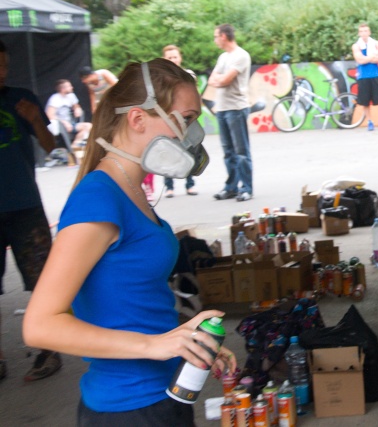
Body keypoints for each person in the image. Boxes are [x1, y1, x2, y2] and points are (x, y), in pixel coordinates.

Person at [22, 59, 235, 425]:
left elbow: (130, 298)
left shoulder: (129, 190)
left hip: (161, 395)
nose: (193, 134)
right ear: (137, 119)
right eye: (186, 119)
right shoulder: (98, 199)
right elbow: (40, 325)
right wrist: (153, 345)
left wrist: (184, 336)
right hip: (127, 408)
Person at [0, 40, 63, 382]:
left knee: (43, 281)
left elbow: (51, 146)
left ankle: (49, 350)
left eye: (5, 66)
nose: (2, 73)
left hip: (25, 205)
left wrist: (35, 119)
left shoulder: (20, 99)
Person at [208, 24, 253, 202]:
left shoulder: (241, 55)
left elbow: (225, 80)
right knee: (228, 152)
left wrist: (220, 80)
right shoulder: (223, 57)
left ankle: (247, 188)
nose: (215, 40)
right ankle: (231, 188)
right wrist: (219, 80)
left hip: (236, 108)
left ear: (224, 36)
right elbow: (212, 80)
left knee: (241, 151)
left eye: (216, 36)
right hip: (222, 108)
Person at [162, 45, 198, 197]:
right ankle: (169, 187)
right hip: (167, 119)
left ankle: (190, 185)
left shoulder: (188, 75)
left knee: (188, 151)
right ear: (164, 59)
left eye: (175, 57)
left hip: (185, 119)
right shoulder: (161, 78)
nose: (173, 60)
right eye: (169, 58)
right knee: (168, 153)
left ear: (180, 58)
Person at [352, 23, 378, 131]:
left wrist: (365, 58)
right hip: (363, 77)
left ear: (369, 32)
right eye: (362, 31)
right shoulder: (356, 46)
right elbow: (360, 60)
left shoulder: (376, 43)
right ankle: (370, 121)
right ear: (359, 33)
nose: (364, 33)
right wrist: (372, 57)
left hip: (375, 75)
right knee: (365, 102)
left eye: (366, 31)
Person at [46, 79, 92, 149]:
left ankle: (75, 145)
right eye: (69, 86)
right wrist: (64, 122)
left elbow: (76, 106)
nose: (72, 87)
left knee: (88, 126)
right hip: (59, 125)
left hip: (70, 124)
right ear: (63, 89)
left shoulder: (71, 96)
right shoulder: (55, 98)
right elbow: (49, 115)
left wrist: (77, 109)